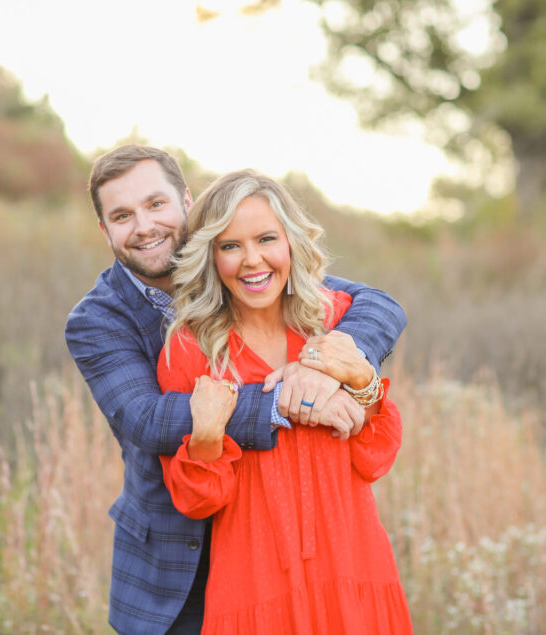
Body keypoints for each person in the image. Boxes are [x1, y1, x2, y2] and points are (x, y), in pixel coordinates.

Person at [64, 145, 406, 634]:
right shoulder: (97, 320)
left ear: (186, 200)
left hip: (327, 564)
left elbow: (375, 303)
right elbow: (146, 418)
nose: (143, 226)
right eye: (122, 215)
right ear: (105, 230)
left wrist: (336, 370)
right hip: (176, 567)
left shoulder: (255, 271)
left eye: (155, 204)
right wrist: (295, 400)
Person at [158, 170, 412, 633]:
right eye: (230, 245)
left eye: (266, 238)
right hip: (256, 592)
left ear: (291, 242)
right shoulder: (191, 350)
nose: (252, 260)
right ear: (210, 257)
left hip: (354, 575)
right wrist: (208, 436)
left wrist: (359, 378)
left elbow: (376, 457)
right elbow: (199, 502)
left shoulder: (334, 320)